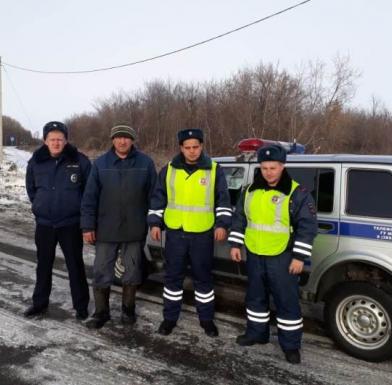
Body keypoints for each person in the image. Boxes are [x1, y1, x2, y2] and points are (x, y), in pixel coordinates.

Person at [228, 144, 317, 364]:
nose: (268, 172)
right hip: (255, 253)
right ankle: (257, 334)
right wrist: (235, 245)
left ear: (283, 166)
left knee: (286, 301)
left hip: (282, 256)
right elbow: (240, 218)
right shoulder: (249, 190)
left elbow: (307, 227)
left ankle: (290, 345)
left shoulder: (297, 193)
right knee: (255, 297)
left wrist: (299, 258)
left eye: (273, 168)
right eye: (265, 167)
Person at [148, 128, 231, 337]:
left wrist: (222, 224)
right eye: (188, 148)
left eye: (196, 147)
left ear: (201, 146)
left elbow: (223, 200)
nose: (192, 151)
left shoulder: (214, 169)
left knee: (203, 278)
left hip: (202, 234)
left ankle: (206, 320)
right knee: (172, 278)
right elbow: (158, 198)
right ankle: (169, 319)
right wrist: (155, 223)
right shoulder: (168, 170)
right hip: (175, 233)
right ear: (181, 148)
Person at [81, 125, 157, 329]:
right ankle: (101, 313)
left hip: (134, 229)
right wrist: (87, 226)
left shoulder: (145, 163)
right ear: (112, 140)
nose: (122, 141)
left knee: (132, 272)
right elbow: (89, 198)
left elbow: (155, 196)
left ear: (132, 140)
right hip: (105, 229)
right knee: (101, 271)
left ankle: (128, 311)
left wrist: (155, 222)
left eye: (126, 138)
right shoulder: (100, 164)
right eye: (118, 137)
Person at [24, 121, 91, 320]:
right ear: (45, 140)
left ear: (65, 140)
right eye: (52, 139)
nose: (56, 142)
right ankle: (39, 303)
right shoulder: (36, 161)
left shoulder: (80, 161)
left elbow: (89, 192)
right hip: (44, 224)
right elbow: (31, 189)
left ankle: (81, 307)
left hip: (70, 224)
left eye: (59, 139)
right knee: (43, 265)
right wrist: (40, 206)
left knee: (75, 266)